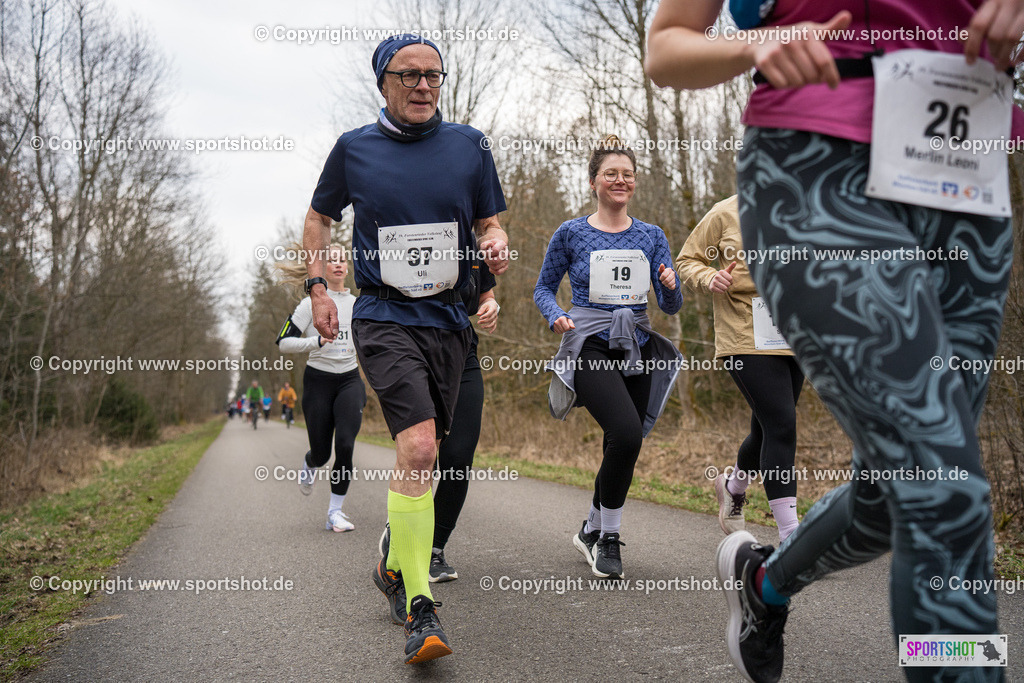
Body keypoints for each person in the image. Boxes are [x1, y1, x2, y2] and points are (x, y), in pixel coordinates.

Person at [647, 3, 1023, 682]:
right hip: (818, 167)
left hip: (966, 165)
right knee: (943, 484)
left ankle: (764, 583)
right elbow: (667, 48)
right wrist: (759, 44)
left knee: (892, 497)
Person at [303, 34, 509, 664]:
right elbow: (318, 217)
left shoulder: (470, 145)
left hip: (449, 319)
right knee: (418, 448)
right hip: (385, 315)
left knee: (439, 453)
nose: (423, 85)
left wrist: (495, 241)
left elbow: (489, 222)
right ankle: (421, 606)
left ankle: (393, 565)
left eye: (433, 75)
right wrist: (318, 288)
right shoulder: (354, 148)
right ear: (383, 82)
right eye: (409, 74)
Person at [534, 135, 683, 581]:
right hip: (590, 342)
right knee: (625, 433)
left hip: (635, 342)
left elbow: (671, 306)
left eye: (628, 175)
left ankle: (590, 529)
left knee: (622, 442)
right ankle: (610, 538)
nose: (621, 180)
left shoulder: (652, 235)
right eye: (611, 174)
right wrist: (556, 316)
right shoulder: (571, 232)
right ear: (594, 182)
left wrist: (671, 285)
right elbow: (543, 289)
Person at [677, 195, 804, 543]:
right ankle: (791, 534)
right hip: (744, 333)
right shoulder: (725, 212)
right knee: (782, 423)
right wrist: (709, 277)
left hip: (793, 333)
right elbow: (687, 260)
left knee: (767, 427)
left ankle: (733, 487)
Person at [378, 239, 501, 583]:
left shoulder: (472, 244)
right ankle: (403, 527)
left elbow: (486, 294)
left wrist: (491, 306)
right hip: (413, 351)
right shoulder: (416, 235)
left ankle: (434, 548)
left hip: (463, 354)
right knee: (423, 452)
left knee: (459, 459)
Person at [276, 244, 365, 533]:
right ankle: (310, 462)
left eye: (342, 260)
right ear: (322, 268)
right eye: (332, 260)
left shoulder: (359, 304)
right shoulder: (309, 305)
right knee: (322, 453)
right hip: (318, 381)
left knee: (346, 445)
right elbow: (284, 343)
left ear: (348, 267)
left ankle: (334, 512)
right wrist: (315, 342)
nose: (338, 264)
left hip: (350, 379)